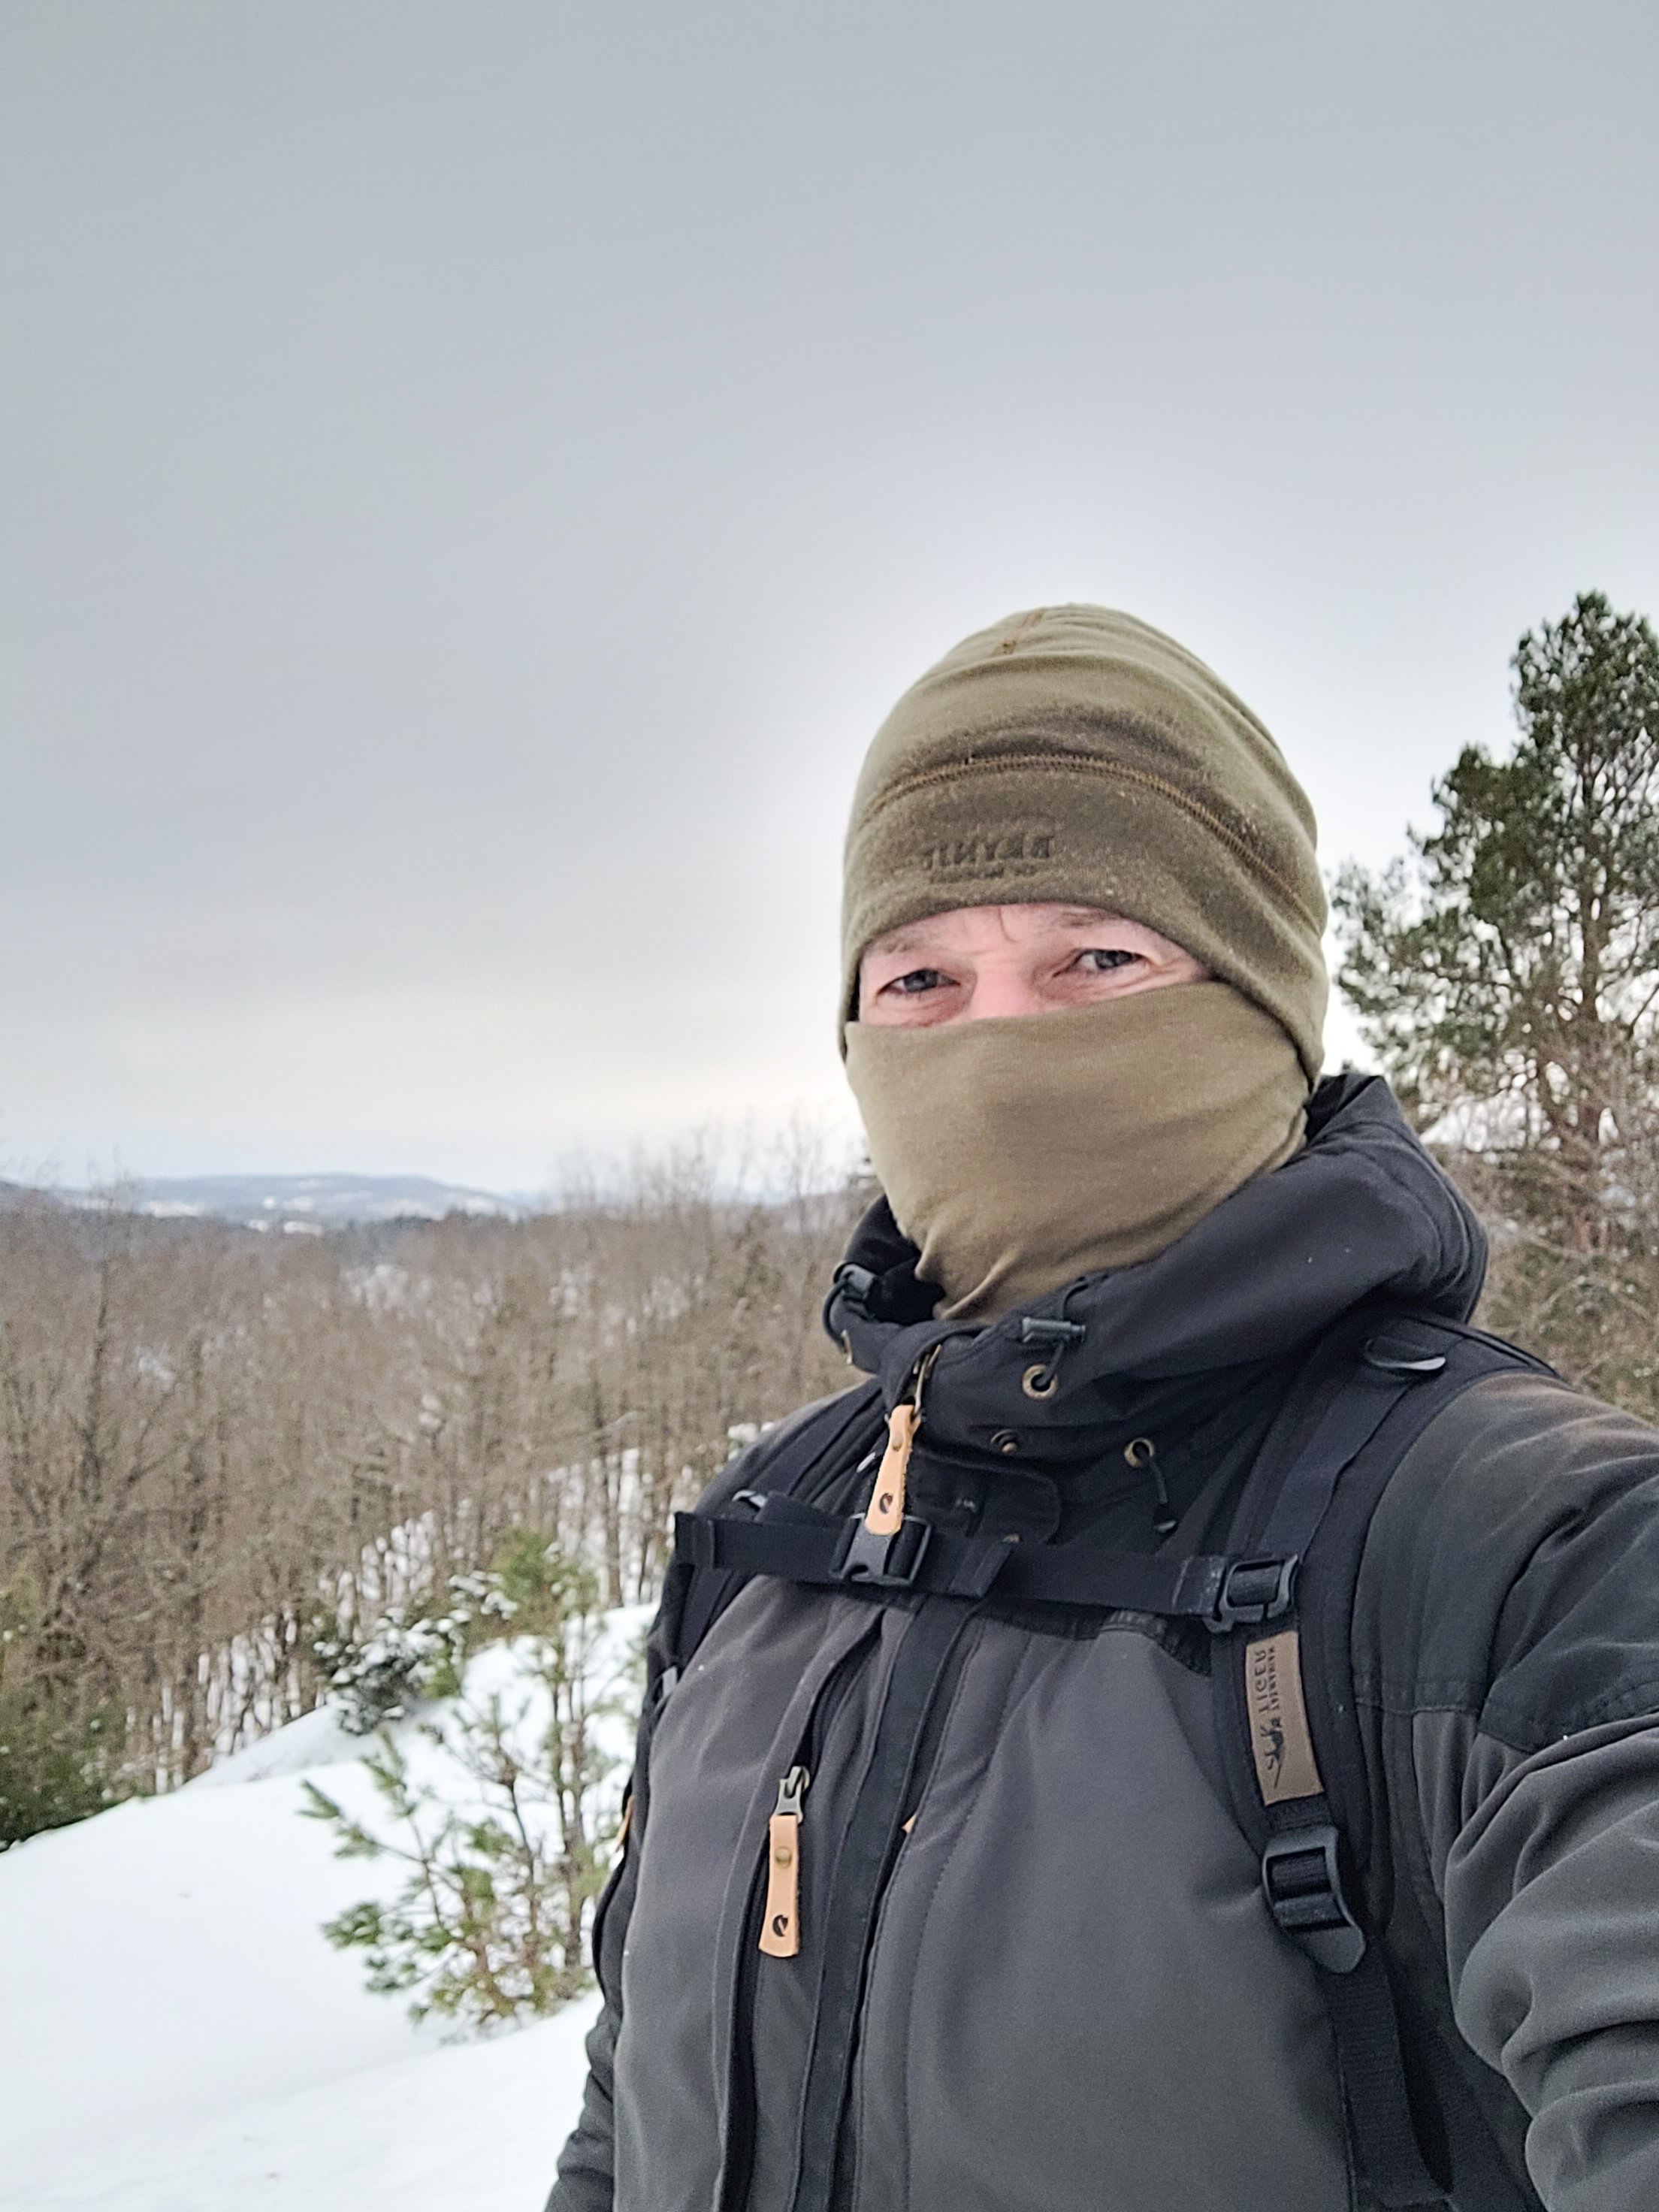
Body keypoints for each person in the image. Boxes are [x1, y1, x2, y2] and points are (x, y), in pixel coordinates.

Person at [548, 606, 1659, 2212]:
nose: (997, 1046)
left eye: (1096, 961)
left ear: (1262, 1006)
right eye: (921, 976)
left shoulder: (1538, 1545)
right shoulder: (774, 1527)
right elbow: (627, 2101)